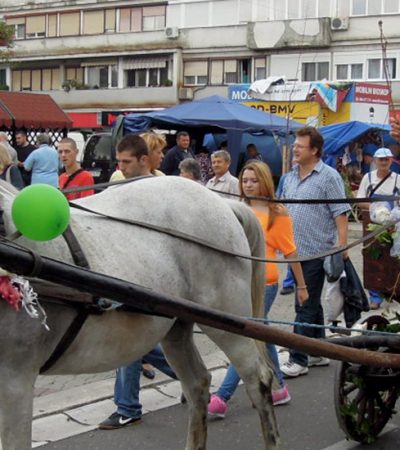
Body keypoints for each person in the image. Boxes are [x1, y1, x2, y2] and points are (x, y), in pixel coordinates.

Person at [208, 161, 308, 418]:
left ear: (265, 182)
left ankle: (222, 396)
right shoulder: (237, 209)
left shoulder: (278, 213)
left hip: (265, 284)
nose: (248, 184)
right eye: (245, 180)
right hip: (238, 282)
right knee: (261, 336)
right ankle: (280, 389)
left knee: (248, 338)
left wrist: (302, 285)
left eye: (253, 180)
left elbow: (291, 252)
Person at [99, 134, 177, 430]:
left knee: (128, 343)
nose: (120, 167)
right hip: (124, 270)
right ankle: (190, 378)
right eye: (118, 161)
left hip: (150, 274)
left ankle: (128, 406)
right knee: (138, 343)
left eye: (126, 162)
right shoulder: (120, 183)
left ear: (144, 160)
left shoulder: (160, 187)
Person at [280, 126, 350, 378]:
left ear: (314, 150)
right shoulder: (289, 177)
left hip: (316, 251)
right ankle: (318, 351)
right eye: (295, 145)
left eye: (300, 146)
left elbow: (340, 212)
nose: (295, 149)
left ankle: (298, 358)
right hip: (293, 252)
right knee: (311, 301)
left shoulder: (328, 176)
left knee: (304, 302)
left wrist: (341, 244)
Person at [357, 147, 400, 310]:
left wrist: (392, 213)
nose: (383, 162)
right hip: (371, 226)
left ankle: (392, 292)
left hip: (393, 225)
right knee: (372, 259)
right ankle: (374, 297)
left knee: (393, 258)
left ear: (391, 161)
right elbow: (359, 200)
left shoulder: (397, 179)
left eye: (386, 159)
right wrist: (376, 208)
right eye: (380, 159)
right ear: (375, 161)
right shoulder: (367, 178)